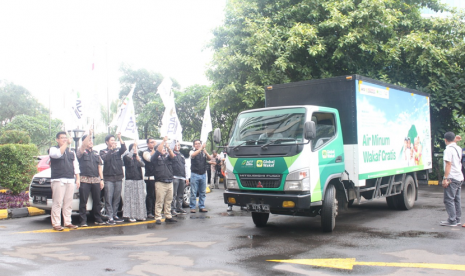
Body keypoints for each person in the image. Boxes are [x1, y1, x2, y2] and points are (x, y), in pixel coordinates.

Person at [49, 131, 80, 231]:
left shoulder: (71, 151)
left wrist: (78, 178)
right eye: (62, 138)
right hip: (58, 179)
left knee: (68, 202)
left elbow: (76, 166)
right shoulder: (53, 149)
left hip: (70, 179)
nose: (64, 139)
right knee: (57, 202)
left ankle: (67, 221)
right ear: (57, 140)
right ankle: (56, 223)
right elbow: (57, 154)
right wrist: (66, 144)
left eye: (65, 138)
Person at [77, 130, 105, 227]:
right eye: (88, 140)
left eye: (91, 140)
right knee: (83, 201)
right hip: (84, 180)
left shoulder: (96, 153)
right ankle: (83, 220)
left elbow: (99, 167)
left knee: (97, 200)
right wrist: (89, 135)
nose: (91, 141)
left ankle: (97, 218)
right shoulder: (81, 152)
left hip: (96, 180)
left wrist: (101, 180)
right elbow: (82, 147)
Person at [100, 133, 126, 225]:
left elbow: (124, 148)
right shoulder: (103, 151)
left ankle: (115, 215)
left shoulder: (118, 151)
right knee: (108, 197)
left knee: (117, 198)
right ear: (107, 142)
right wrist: (111, 150)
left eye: (114, 140)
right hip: (108, 178)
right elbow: (105, 159)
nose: (113, 142)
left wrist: (120, 137)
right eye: (112, 140)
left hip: (118, 177)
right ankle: (109, 216)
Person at [151, 136, 177, 225]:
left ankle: (168, 216)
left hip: (169, 181)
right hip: (160, 182)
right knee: (159, 200)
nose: (163, 150)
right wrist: (163, 141)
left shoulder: (167, 157)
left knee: (169, 200)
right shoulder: (155, 158)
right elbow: (158, 149)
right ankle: (158, 217)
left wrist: (168, 147)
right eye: (162, 149)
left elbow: (172, 156)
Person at [440, 131, 464, 227]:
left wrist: (445, 178)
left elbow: (448, 164)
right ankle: (457, 219)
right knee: (457, 199)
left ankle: (452, 220)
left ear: (445, 140)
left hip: (452, 177)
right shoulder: (458, 148)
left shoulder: (448, 150)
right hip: (459, 177)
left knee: (449, 199)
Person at [122, 142, 147, 222]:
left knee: (140, 198)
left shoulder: (138, 157)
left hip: (139, 179)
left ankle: (140, 215)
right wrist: (133, 148)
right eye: (133, 148)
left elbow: (143, 165)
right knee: (130, 198)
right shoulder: (126, 157)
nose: (135, 149)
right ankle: (130, 216)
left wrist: (139, 159)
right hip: (130, 179)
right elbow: (129, 157)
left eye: (136, 148)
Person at [189, 139, 211, 213]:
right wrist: (201, 148)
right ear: (194, 145)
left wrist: (206, 152)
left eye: (199, 143)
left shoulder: (203, 152)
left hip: (203, 174)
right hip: (195, 174)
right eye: (196, 144)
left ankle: (201, 206)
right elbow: (193, 155)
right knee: (193, 192)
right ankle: (192, 207)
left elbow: (210, 158)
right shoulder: (192, 151)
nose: (198, 145)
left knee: (202, 192)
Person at [171, 141, 190, 216]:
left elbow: (186, 166)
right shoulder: (172, 154)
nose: (178, 146)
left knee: (180, 194)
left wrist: (187, 177)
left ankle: (179, 207)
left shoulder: (182, 156)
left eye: (179, 145)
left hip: (182, 177)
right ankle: (172, 209)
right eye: (176, 145)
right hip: (175, 176)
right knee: (173, 194)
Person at [142, 137, 156, 219]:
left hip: (156, 177)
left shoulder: (157, 152)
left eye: (153, 142)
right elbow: (150, 159)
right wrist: (155, 150)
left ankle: (155, 211)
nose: (153, 144)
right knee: (150, 195)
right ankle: (149, 212)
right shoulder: (145, 152)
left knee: (156, 195)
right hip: (149, 177)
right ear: (147, 144)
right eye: (151, 142)